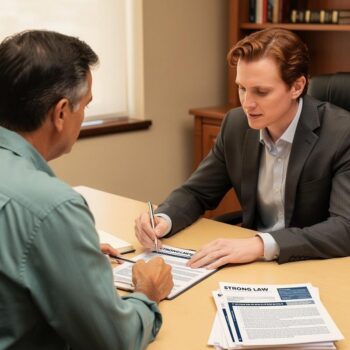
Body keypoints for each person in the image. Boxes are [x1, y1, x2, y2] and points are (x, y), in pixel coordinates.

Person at [0, 30, 173, 350]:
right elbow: (112, 341)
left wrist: (72, 254)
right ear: (62, 113)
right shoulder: (53, 207)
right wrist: (146, 294)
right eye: (86, 106)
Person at [135, 28, 350, 269]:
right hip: (252, 266)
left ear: (297, 87)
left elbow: (344, 228)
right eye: (242, 88)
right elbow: (197, 192)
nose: (247, 104)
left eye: (261, 91)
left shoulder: (341, 134)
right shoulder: (235, 125)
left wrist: (259, 245)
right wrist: (164, 218)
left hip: (314, 265)